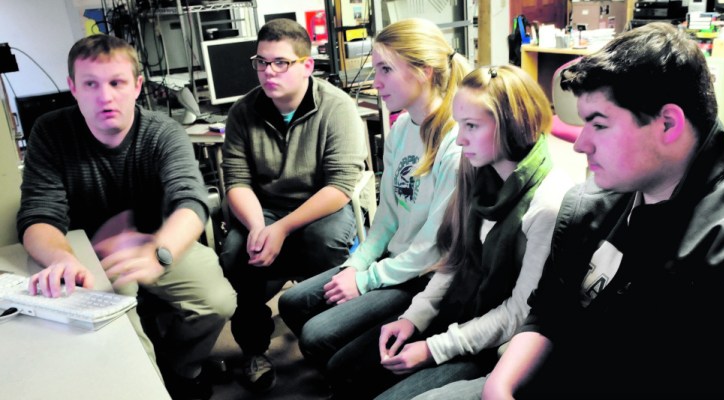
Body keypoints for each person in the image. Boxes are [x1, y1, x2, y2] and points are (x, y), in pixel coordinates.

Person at [416, 22, 724, 400]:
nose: (580, 145)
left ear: (668, 123)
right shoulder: (593, 202)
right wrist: (500, 385)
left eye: (599, 124)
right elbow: (550, 308)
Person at [327, 65, 574, 400]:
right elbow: (456, 259)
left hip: (494, 346)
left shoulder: (546, 203)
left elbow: (518, 313)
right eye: (460, 125)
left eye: (472, 126)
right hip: (458, 311)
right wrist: (414, 318)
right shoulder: (478, 172)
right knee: (343, 368)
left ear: (512, 124)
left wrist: (432, 349)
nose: (460, 139)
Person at [16, 34, 237, 400]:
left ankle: (178, 370)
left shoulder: (162, 132)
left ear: (136, 86)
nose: (105, 97)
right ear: (73, 87)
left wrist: (158, 251)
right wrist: (63, 260)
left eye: (117, 82)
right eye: (91, 84)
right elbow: (39, 214)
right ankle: (147, 387)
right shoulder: (51, 132)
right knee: (114, 319)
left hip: (159, 240)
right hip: (87, 250)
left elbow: (191, 201)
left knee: (217, 301)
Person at [278, 16, 470, 388]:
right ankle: (346, 369)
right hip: (391, 262)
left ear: (424, 71)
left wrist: (366, 282)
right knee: (293, 303)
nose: (375, 81)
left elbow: (432, 249)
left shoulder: (455, 143)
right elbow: (386, 216)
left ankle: (353, 372)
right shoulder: (401, 127)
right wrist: (358, 264)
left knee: (320, 336)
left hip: (421, 277)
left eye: (386, 69)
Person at [219, 18, 367, 392]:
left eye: (281, 62)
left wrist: (282, 229)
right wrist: (258, 227)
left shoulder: (338, 107)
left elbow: (340, 185)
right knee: (238, 251)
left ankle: (327, 340)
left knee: (323, 242)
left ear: (306, 65)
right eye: (262, 61)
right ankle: (254, 348)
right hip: (264, 208)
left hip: (322, 206)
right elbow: (236, 181)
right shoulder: (242, 112)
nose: (269, 72)